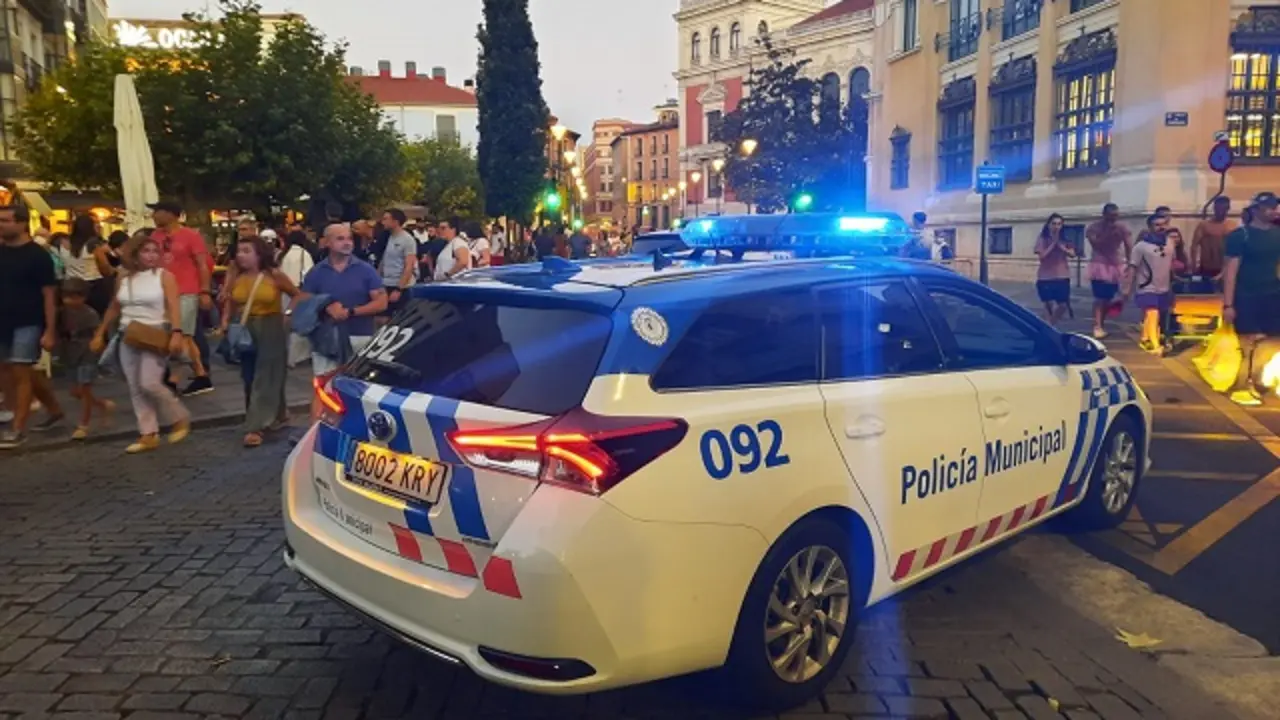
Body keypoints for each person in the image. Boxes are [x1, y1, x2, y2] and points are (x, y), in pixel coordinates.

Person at [90, 232, 191, 453]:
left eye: (155, 251)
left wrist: (176, 332)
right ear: (134, 254)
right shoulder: (124, 277)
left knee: (149, 382)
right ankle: (148, 433)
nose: (152, 256)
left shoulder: (164, 276)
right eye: (146, 251)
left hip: (154, 332)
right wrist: (100, 332)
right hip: (128, 333)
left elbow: (174, 305)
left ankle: (179, 417)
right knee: (135, 386)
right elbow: (115, 306)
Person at [222, 235, 303, 448]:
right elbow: (230, 301)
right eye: (239, 251)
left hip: (271, 326)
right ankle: (278, 414)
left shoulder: (273, 275)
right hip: (245, 326)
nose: (241, 256)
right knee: (249, 375)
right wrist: (225, 322)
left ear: (259, 254)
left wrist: (287, 314)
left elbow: (297, 294)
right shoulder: (236, 277)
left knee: (265, 375)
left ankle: (255, 426)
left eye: (247, 251)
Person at [300, 223, 387, 419]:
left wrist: (351, 311)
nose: (347, 243)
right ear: (327, 243)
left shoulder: (365, 270)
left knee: (362, 390)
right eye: (340, 239)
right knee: (323, 388)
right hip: (327, 340)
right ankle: (316, 435)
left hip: (360, 336)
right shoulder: (316, 273)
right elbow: (304, 303)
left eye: (349, 238)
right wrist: (325, 306)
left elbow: (381, 302)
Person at [0, 205, 66, 448]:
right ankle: (54, 408)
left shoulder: (37, 255)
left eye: (5, 220)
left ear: (21, 223)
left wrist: (50, 329)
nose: (1, 225)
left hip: (29, 320)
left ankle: (18, 427)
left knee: (20, 372)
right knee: (14, 370)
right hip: (3, 320)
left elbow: (49, 294)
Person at [149, 200, 213, 396]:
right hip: (162, 291)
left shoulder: (190, 236)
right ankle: (198, 375)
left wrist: (204, 291)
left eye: (157, 211)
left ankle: (177, 378)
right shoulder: (155, 236)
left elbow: (202, 264)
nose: (153, 216)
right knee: (181, 336)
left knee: (182, 335)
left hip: (186, 290)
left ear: (171, 214)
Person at [1222, 192, 1280, 406]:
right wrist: (1228, 304)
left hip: (1272, 294)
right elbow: (1231, 271)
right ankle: (1241, 385)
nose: (1274, 210)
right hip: (1246, 295)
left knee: (1270, 341)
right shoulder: (1240, 236)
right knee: (1247, 343)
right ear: (1255, 210)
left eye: (1276, 206)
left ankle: (1254, 380)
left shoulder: (1277, 234)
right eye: (1269, 207)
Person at [59, 278, 114, 440]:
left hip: (87, 354)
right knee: (76, 391)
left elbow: (98, 335)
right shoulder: (61, 313)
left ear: (84, 297)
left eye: (76, 297)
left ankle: (84, 424)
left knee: (84, 389)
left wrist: (100, 352)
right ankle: (102, 404)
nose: (71, 301)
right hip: (70, 354)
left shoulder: (90, 314)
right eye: (67, 296)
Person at [1126, 214, 1176, 356]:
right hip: (1146, 286)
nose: (1161, 227)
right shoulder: (1140, 247)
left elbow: (1170, 263)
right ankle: (1155, 345)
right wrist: (1127, 287)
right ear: (1150, 227)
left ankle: (1145, 338)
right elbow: (1132, 267)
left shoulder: (1170, 243)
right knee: (1153, 313)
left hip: (1164, 286)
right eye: (1157, 225)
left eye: (1163, 224)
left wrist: (1175, 278)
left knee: (1154, 314)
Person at [1085, 203, 1133, 339]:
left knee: (1110, 298)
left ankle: (1101, 323)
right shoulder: (1094, 227)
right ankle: (1097, 326)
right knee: (1099, 297)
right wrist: (1108, 233)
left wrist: (1130, 263)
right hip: (1099, 264)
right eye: (1110, 217)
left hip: (1115, 264)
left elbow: (1129, 245)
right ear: (1104, 215)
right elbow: (1096, 244)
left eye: (1116, 217)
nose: (1113, 220)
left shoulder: (1122, 227)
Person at [58, 215, 115, 315]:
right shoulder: (92, 245)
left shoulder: (63, 244)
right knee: (97, 316)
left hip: (70, 285)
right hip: (92, 286)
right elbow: (105, 267)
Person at [1034, 213, 1075, 326]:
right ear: (1048, 225)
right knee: (1048, 304)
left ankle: (1051, 323)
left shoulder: (1065, 238)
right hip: (1045, 276)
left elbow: (1072, 254)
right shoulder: (1042, 238)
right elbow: (1042, 256)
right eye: (1054, 224)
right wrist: (1053, 244)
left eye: (1059, 224)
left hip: (1062, 275)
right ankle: (1049, 325)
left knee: (1062, 304)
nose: (1056, 226)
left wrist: (1062, 247)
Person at [378, 209, 418, 316]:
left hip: (400, 285)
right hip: (386, 283)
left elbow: (409, 266)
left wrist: (399, 289)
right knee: (381, 318)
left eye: (386, 219)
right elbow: (384, 260)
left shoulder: (407, 240)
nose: (383, 222)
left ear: (395, 221)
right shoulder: (387, 237)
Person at [1191, 196, 1234, 289]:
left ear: (1228, 209)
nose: (1220, 211)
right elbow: (1194, 247)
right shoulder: (1204, 225)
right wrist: (1193, 266)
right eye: (1218, 208)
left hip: (1224, 267)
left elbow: (1236, 250)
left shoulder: (1232, 226)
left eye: (1224, 209)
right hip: (1206, 267)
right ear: (1214, 208)